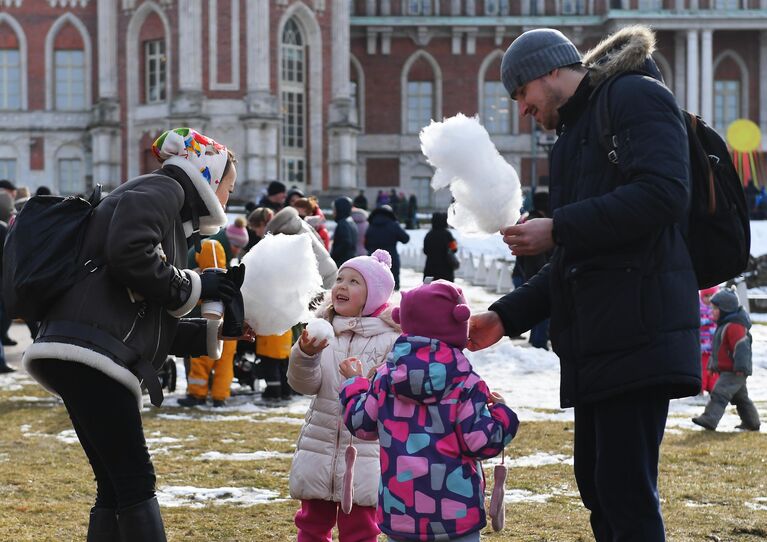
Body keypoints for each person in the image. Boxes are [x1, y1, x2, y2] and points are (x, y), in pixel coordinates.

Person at [468, 27, 700, 541]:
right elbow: (576, 261)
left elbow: (665, 194)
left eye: (521, 94)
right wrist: (506, 316)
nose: (522, 111)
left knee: (624, 493)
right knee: (599, 488)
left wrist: (558, 228)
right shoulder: (574, 136)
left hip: (639, 333)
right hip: (600, 341)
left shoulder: (634, 95)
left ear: (551, 71)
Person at [21, 127, 250, 541]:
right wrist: (198, 285)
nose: (228, 199)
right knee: (135, 481)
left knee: (115, 485)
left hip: (83, 348)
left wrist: (219, 332)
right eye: (229, 187)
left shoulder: (166, 204)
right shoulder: (165, 189)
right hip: (90, 353)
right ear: (209, 177)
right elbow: (130, 254)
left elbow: (144, 319)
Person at [339, 279, 519, 542]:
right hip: (456, 513)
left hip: (400, 512)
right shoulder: (466, 381)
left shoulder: (386, 377)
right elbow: (480, 443)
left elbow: (362, 424)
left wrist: (355, 385)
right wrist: (503, 414)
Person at [287, 249, 400, 542]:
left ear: (374, 295)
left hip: (365, 452)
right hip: (319, 445)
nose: (341, 286)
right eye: (339, 279)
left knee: (361, 530)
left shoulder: (392, 338)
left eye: (354, 281)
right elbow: (304, 385)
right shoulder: (323, 330)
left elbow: (390, 395)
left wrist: (364, 381)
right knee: (311, 525)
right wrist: (305, 355)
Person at [178, 237, 238, 407]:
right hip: (227, 315)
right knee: (224, 361)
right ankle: (220, 397)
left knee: (202, 357)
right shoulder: (212, 248)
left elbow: (213, 278)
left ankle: (198, 394)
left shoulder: (209, 246)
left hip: (211, 315)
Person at [692, 289, 761, 431]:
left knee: (719, 393)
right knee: (741, 399)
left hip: (735, 370)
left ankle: (709, 419)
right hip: (730, 370)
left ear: (726, 309)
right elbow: (717, 350)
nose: (712, 312)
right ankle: (752, 423)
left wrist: (741, 368)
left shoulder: (735, 326)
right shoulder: (724, 325)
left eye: (716, 309)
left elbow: (741, 348)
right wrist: (712, 366)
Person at [514, 191, 552, 350]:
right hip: (535, 275)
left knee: (532, 311)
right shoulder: (539, 225)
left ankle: (535, 340)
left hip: (523, 273)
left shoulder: (527, 221)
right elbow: (536, 257)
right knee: (541, 311)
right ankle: (539, 343)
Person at [364, 204, 409, 290]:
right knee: (392, 284)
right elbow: (405, 239)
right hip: (391, 259)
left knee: (374, 286)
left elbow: (366, 245)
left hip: (373, 259)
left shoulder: (371, 225)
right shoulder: (393, 225)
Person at [423, 211, 458, 283]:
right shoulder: (448, 235)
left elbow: (425, 250)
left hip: (430, 270)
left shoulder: (429, 235)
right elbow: (454, 249)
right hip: (446, 271)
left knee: (429, 290)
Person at [699, 286, 720, 394]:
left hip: (714, 346)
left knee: (714, 368)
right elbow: (699, 322)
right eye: (706, 296)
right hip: (702, 347)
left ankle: (713, 388)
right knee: (702, 368)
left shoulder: (718, 309)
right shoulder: (699, 308)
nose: (709, 298)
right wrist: (708, 319)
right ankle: (700, 388)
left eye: (712, 295)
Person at [330, 196, 358, 267]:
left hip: (342, 262)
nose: (333, 212)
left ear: (340, 209)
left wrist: (333, 255)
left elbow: (346, 242)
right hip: (350, 261)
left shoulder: (343, 224)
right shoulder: (351, 221)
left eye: (334, 209)